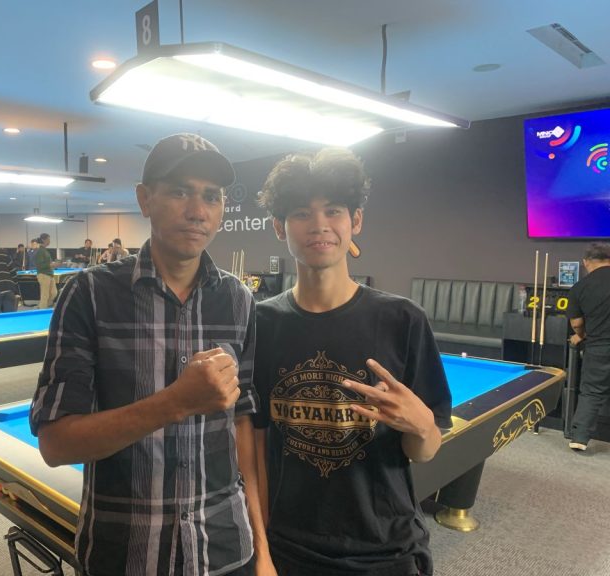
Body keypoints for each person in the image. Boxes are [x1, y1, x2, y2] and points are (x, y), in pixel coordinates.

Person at [30, 133, 271, 576]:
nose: (197, 211)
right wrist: (174, 402)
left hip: (226, 551)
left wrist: (263, 549)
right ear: (145, 199)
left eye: (211, 196)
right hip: (126, 555)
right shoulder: (90, 295)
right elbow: (56, 443)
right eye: (180, 191)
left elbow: (241, 425)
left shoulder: (239, 300)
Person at [252, 148, 451, 576]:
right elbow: (254, 448)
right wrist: (261, 548)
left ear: (355, 220)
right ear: (279, 227)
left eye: (333, 210)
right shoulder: (261, 323)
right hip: (290, 546)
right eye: (301, 213)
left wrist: (421, 425)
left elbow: (426, 449)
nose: (319, 224)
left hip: (386, 549)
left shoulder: (402, 319)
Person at [566, 242, 610, 452]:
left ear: (585, 262)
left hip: (598, 346)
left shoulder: (580, 287)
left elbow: (577, 324)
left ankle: (579, 439)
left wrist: (580, 336)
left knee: (591, 392)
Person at [34, 233, 57, 309]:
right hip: (43, 275)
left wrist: (53, 264)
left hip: (49, 274)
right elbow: (40, 266)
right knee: (45, 295)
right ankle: (42, 309)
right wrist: (51, 265)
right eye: (48, 239)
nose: (49, 241)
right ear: (43, 240)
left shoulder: (44, 250)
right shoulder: (40, 251)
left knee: (54, 293)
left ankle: (42, 307)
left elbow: (47, 263)